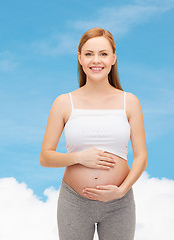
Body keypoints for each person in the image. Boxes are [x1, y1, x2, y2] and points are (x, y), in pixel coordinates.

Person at [40, 27, 147, 240]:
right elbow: (45, 157)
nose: (96, 60)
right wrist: (79, 157)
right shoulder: (63, 103)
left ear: (113, 58)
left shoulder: (130, 102)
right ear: (79, 58)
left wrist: (121, 190)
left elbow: (141, 157)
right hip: (74, 202)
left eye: (103, 54)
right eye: (89, 54)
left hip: (119, 203)